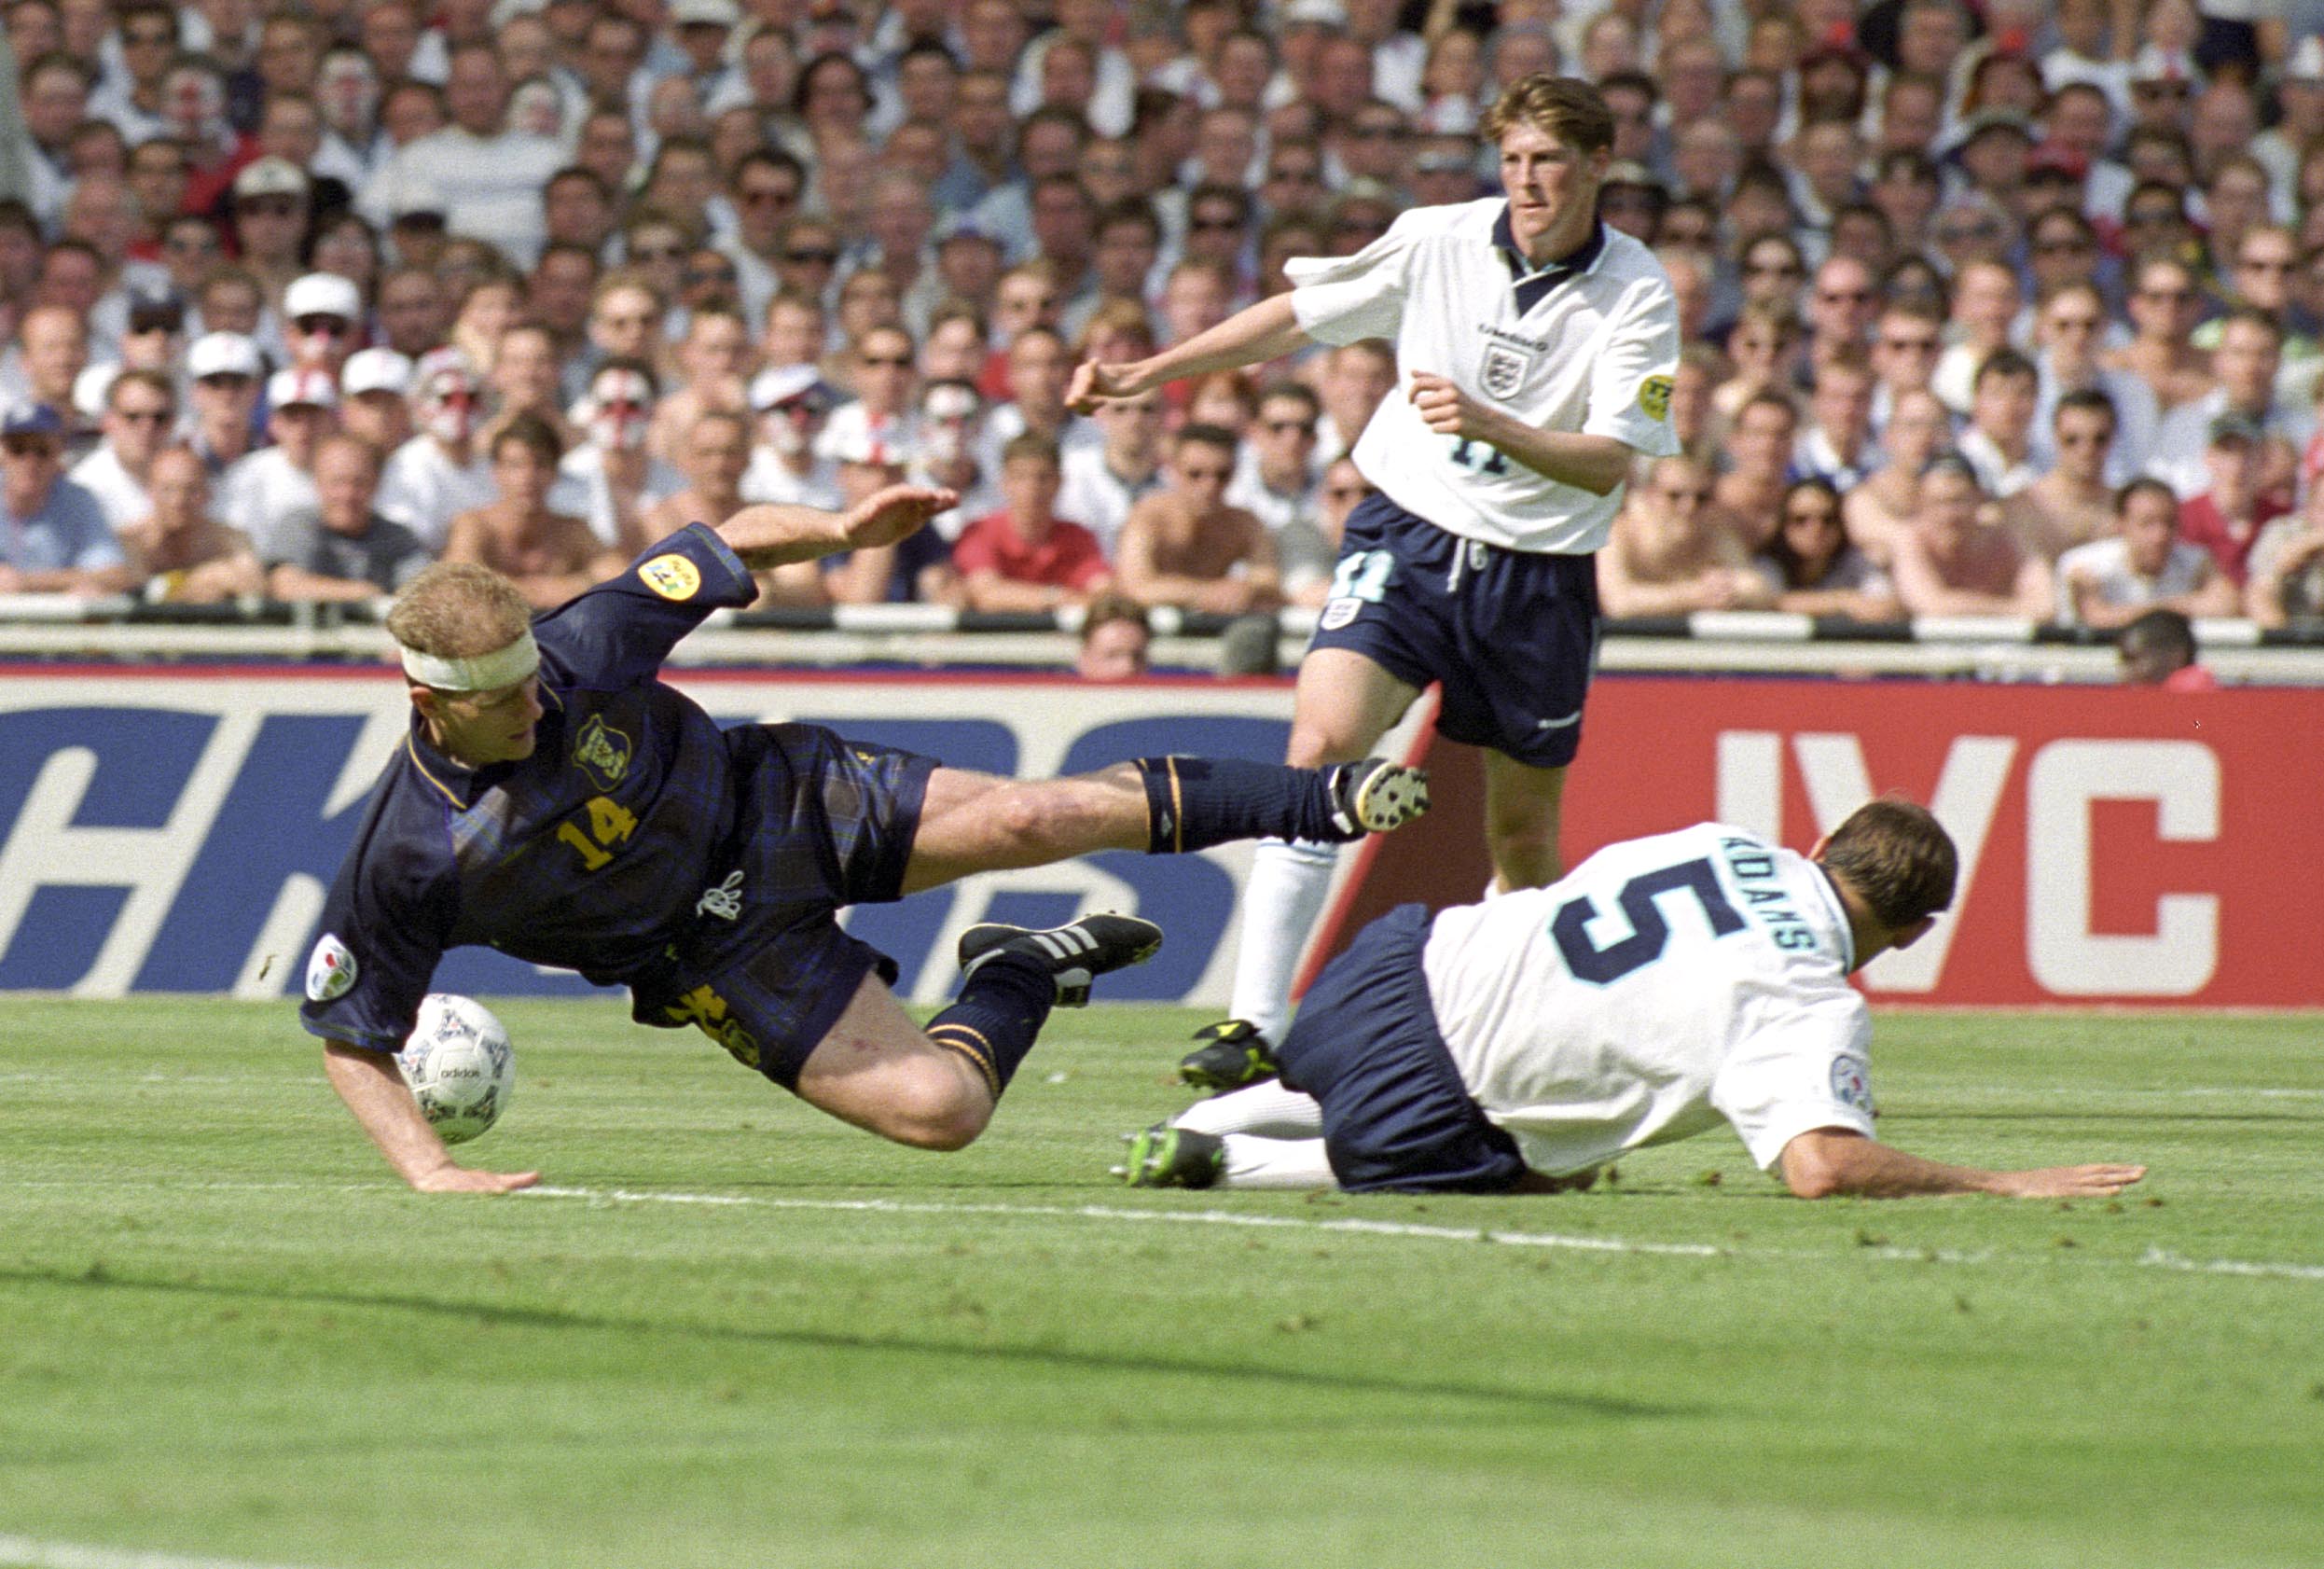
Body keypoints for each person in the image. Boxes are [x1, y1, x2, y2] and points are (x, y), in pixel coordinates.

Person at [304, 485, 1432, 1193]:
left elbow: (725, 539)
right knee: (942, 1114)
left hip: (775, 800)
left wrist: (840, 531)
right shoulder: (409, 851)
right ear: (428, 701)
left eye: (534, 680)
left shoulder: (577, 645)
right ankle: (1016, 967)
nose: (538, 705)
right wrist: (433, 1168)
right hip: (710, 959)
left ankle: (1322, 796)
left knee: (1034, 814)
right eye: (505, 700)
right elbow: (352, 1031)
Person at [1074, 75, 1679, 1059]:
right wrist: (1151, 372)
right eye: (1513, 158)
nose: (1525, 181)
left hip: (1535, 574)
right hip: (1406, 534)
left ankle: (1513, 1035)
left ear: (1598, 164)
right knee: (1319, 745)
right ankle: (1255, 1020)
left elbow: (1610, 455)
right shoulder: (1436, 239)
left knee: (1522, 836)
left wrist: (1487, 422)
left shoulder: (1636, 290)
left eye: (1548, 160)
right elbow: (1295, 316)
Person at [1119, 798, 2147, 1201]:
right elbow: (1818, 1166)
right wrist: (2000, 1182)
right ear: (1914, 931)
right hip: (1424, 1097)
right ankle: (1224, 1157)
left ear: (1823, 839)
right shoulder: (1814, 1003)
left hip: (1391, 962)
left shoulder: (1720, 840)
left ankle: (1215, 1104)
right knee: (1535, 1167)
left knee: (1492, 1079)